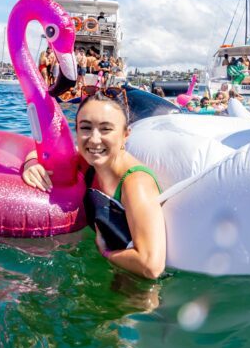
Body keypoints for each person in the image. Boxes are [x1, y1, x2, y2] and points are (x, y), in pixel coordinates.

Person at [21, 87, 165, 279]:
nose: (94, 140)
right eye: (86, 128)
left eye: (106, 129)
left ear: (125, 135)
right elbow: (40, 154)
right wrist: (30, 164)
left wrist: (105, 253)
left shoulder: (135, 183)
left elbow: (151, 266)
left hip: (139, 292)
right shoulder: (87, 162)